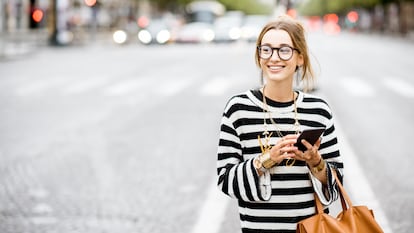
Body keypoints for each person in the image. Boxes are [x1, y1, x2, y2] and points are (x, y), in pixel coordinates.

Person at [216, 15, 344, 233]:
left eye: (284, 50)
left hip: (310, 229)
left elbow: (336, 181)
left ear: (300, 58)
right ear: (259, 56)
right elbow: (226, 180)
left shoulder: (318, 110)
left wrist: (315, 161)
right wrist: (268, 159)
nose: (274, 57)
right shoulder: (238, 109)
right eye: (266, 49)